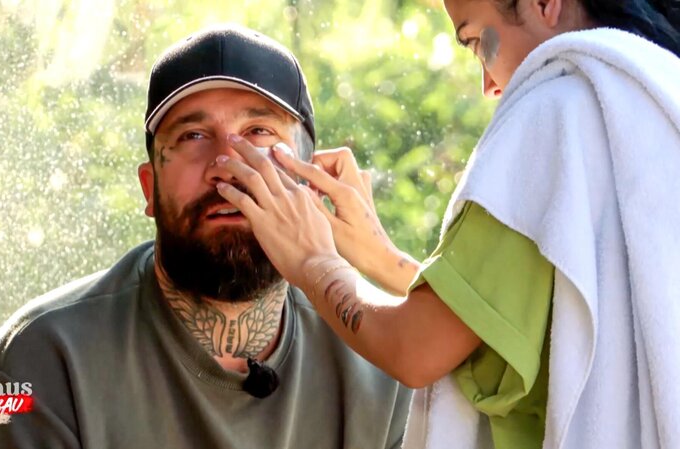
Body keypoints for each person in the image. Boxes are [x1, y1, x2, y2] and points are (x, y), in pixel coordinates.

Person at [212, 1, 680, 449]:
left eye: (475, 42)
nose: (488, 86)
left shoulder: (553, 110)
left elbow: (417, 350)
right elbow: (489, 322)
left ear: (544, 3)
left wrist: (312, 260)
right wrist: (383, 258)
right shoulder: (650, 102)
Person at [0, 25, 412, 449]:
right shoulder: (37, 363)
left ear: (311, 181)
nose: (226, 165)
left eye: (258, 132)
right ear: (149, 187)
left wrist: (384, 264)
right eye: (192, 136)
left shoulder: (382, 358)